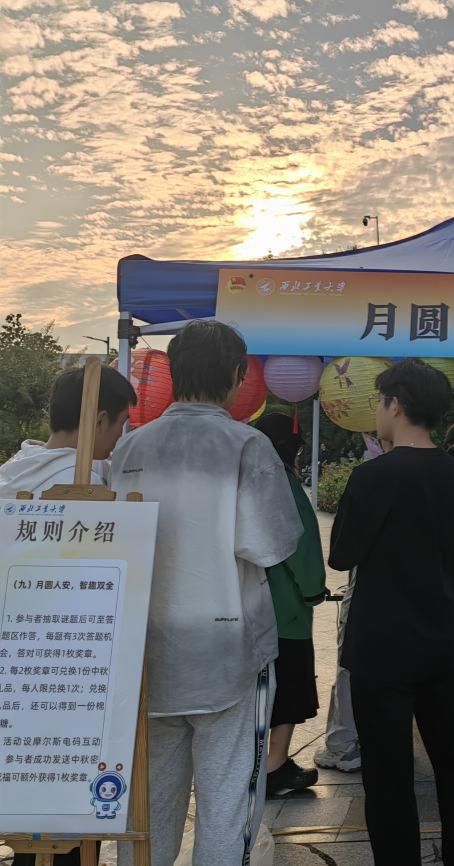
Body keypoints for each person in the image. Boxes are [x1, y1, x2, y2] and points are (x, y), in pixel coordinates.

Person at [111, 321, 303, 866]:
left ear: (173, 373)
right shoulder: (246, 445)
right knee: (226, 804)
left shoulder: (130, 447)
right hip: (228, 653)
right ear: (239, 376)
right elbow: (270, 544)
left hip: (146, 652)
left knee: (147, 811)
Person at [329, 360, 454, 865]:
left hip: (381, 646)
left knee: (388, 771)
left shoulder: (373, 475)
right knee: (453, 760)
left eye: (379, 402)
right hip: (440, 640)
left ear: (395, 404)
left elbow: (341, 555)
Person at [2, 366, 135, 866]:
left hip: (17, 677)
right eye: (119, 424)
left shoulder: (14, 472)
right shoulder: (86, 488)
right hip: (70, 673)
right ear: (98, 419)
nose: (119, 439)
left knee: (28, 815)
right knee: (69, 816)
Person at [254, 413, 328, 795]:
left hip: (246, 606)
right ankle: (276, 765)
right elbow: (303, 544)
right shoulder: (283, 483)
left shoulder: (243, 478)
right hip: (285, 608)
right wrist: (314, 590)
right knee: (289, 687)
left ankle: (255, 763)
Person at [315, 435, 397, 776]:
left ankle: (343, 743)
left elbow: (341, 553)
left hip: (367, 591)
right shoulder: (436, 474)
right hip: (406, 598)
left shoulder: (369, 476)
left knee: (350, 666)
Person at [0, 365, 136, 498]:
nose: (120, 434)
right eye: (122, 422)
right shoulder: (84, 486)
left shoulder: (15, 467)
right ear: (100, 421)